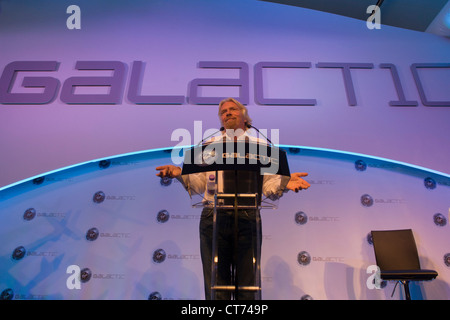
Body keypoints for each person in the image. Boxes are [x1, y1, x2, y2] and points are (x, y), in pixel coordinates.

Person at [156, 98, 310, 300]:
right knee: (216, 285)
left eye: (232, 109)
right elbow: (199, 183)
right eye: (223, 111)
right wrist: (179, 174)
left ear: (244, 116)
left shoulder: (261, 146)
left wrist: (284, 183)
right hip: (213, 216)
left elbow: (268, 187)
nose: (227, 113)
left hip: (248, 216)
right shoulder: (208, 146)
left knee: (248, 284)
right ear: (221, 119)